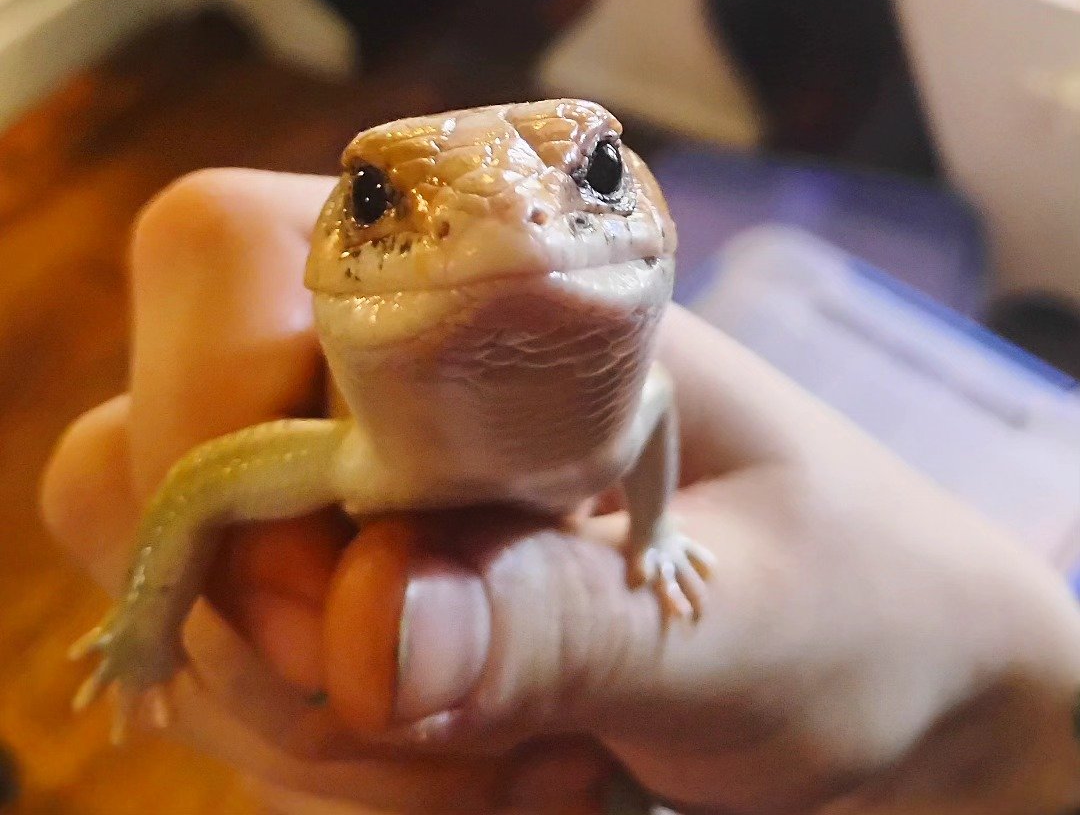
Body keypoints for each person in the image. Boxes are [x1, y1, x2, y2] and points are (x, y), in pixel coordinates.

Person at [42, 169, 1080, 814]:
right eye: (372, 202)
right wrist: (144, 625)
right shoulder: (355, 450)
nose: (512, 217)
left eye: (592, 173)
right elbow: (190, 491)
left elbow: (656, 406)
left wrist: (658, 533)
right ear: (328, 264)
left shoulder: (623, 410)